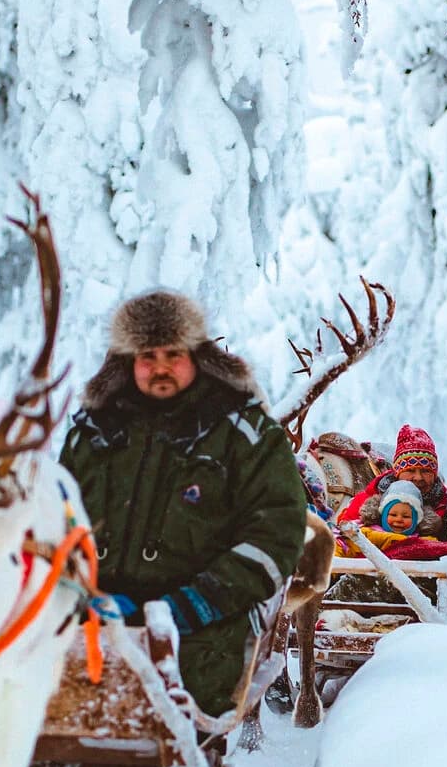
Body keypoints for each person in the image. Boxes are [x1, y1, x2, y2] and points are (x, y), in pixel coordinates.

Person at [58, 289, 307, 721]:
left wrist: (191, 605)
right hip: (92, 617)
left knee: (176, 692)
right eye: (146, 356)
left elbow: (277, 532)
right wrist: (77, 593)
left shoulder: (244, 433)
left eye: (173, 355)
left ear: (197, 356)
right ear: (127, 360)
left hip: (201, 628)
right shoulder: (92, 433)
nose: (160, 369)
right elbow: (55, 519)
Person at [338, 424, 447, 540]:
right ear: (397, 473)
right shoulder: (371, 497)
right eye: (410, 470)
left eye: (426, 471)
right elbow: (345, 528)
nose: (418, 477)